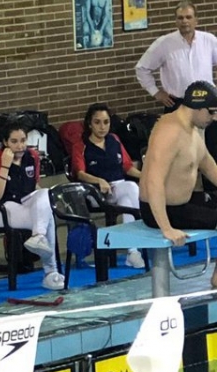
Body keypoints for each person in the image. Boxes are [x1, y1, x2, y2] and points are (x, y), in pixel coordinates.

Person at [138, 81, 217, 286]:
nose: (215, 117)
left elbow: (209, 167)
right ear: (196, 107)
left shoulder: (193, 129)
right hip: (162, 210)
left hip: (184, 204)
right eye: (211, 112)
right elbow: (153, 181)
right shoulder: (169, 131)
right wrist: (166, 228)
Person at [0, 121, 65, 291]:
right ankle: (51, 272)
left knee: (46, 197)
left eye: (23, 140)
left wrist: (46, 203)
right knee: (45, 218)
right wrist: (5, 166)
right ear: (5, 142)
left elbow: (35, 187)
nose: (20, 146)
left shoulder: (32, 156)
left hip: (23, 204)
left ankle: (38, 237)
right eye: (14, 141)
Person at [71, 103, 144, 268]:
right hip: (96, 193)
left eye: (106, 122)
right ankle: (141, 233)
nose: (102, 127)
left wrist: (146, 176)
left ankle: (133, 252)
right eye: (97, 122)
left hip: (119, 187)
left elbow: (127, 167)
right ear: (89, 124)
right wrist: (98, 180)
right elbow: (80, 173)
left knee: (128, 200)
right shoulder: (81, 146)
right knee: (131, 189)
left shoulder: (114, 140)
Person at [135, 1, 217, 114]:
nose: (185, 21)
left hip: (207, 104)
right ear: (176, 21)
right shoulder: (164, 43)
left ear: (196, 20)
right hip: (178, 105)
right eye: (180, 18)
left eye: (188, 17)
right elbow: (141, 68)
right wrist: (156, 92)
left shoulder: (209, 40)